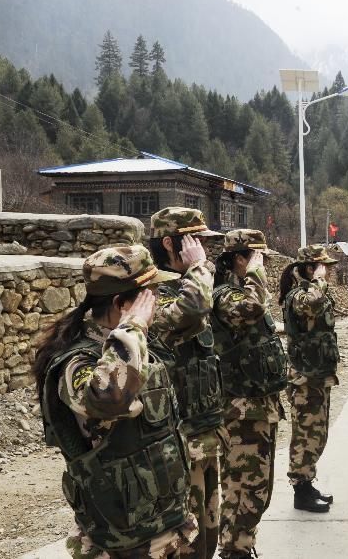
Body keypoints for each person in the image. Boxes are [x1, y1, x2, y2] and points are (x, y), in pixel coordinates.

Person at [34, 246, 198, 558]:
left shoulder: (138, 342)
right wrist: (132, 325)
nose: (158, 301)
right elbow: (109, 397)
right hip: (124, 539)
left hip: (165, 522)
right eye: (149, 295)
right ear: (120, 304)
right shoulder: (77, 362)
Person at [149, 207, 225, 559]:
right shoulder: (153, 292)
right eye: (194, 242)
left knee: (210, 531)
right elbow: (192, 309)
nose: (203, 251)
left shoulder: (190, 285)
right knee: (188, 542)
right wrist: (198, 268)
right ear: (169, 243)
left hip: (204, 433)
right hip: (179, 443)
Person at [211, 230, 289, 558]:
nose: (264, 265)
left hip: (259, 408)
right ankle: (234, 551)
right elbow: (253, 308)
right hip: (241, 412)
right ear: (239, 259)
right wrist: (257, 276)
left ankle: (241, 546)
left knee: (256, 492)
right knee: (243, 490)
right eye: (258, 258)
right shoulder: (226, 295)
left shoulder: (244, 291)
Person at [279, 244, 340, 513]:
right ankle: (300, 491)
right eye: (320, 266)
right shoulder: (298, 296)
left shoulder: (312, 293)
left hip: (319, 375)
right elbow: (312, 304)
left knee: (317, 434)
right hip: (305, 378)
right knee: (305, 435)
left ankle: (307, 483)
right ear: (307, 268)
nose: (326, 271)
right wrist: (318, 279)